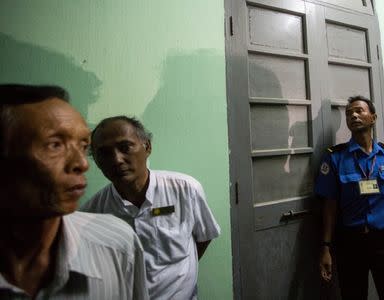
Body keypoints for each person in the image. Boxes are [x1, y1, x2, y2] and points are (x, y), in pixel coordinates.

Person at [0, 84, 148, 300]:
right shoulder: (100, 208)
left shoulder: (117, 244)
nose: (81, 164)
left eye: (82, 145)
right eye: (55, 145)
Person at [81, 116, 221, 299]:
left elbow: (204, 236)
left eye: (125, 147)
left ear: (147, 147)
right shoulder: (93, 213)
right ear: (97, 162)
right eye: (105, 153)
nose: (117, 159)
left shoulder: (185, 190)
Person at [315, 95, 384, 300]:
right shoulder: (335, 158)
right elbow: (330, 205)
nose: (353, 115)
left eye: (359, 111)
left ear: (373, 117)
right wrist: (325, 247)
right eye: (349, 113)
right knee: (353, 295)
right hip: (351, 243)